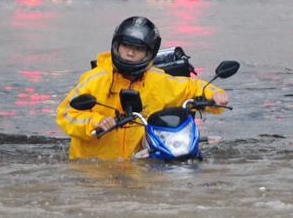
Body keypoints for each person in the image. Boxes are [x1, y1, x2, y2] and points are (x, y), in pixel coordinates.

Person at [56, 16, 230, 160]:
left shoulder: (158, 80)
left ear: (149, 53)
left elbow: (191, 87)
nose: (130, 53)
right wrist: (96, 122)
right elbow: (65, 113)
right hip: (91, 167)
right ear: (116, 46)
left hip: (139, 165)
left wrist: (214, 95)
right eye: (126, 46)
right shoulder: (96, 79)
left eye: (138, 49)